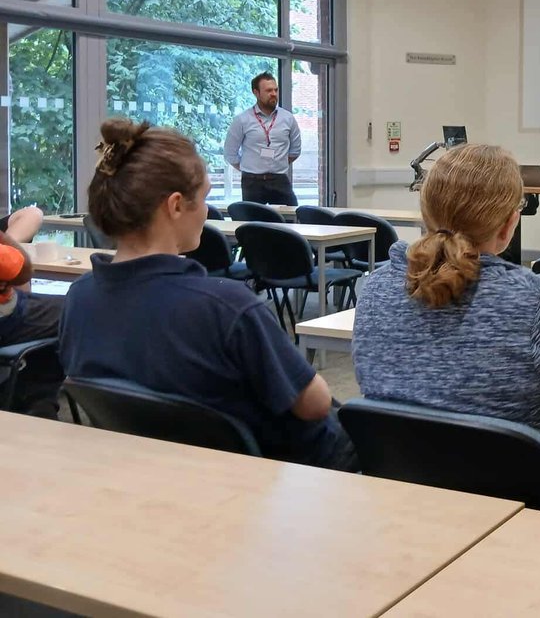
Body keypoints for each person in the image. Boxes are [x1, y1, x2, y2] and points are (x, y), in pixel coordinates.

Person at [353, 143, 540, 520]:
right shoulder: (536, 303)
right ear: (508, 225)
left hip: (414, 503)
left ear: (425, 211)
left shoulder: (375, 290)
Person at [60, 118, 356, 470]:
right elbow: (314, 404)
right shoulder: (226, 307)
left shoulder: (79, 299)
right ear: (175, 206)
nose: (206, 211)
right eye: (203, 198)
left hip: (163, 470)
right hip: (281, 469)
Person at [0, 219, 63, 418]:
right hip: (7, 317)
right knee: (76, 309)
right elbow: (24, 271)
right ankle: (38, 403)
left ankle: (35, 399)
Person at [223, 72, 301, 205]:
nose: (274, 94)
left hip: (279, 180)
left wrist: (279, 162)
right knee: (254, 217)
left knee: (290, 216)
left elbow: (295, 150)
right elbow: (230, 153)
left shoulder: (288, 118)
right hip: (252, 182)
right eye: (268, 90)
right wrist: (250, 167)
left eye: (276, 90)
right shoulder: (242, 120)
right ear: (256, 93)